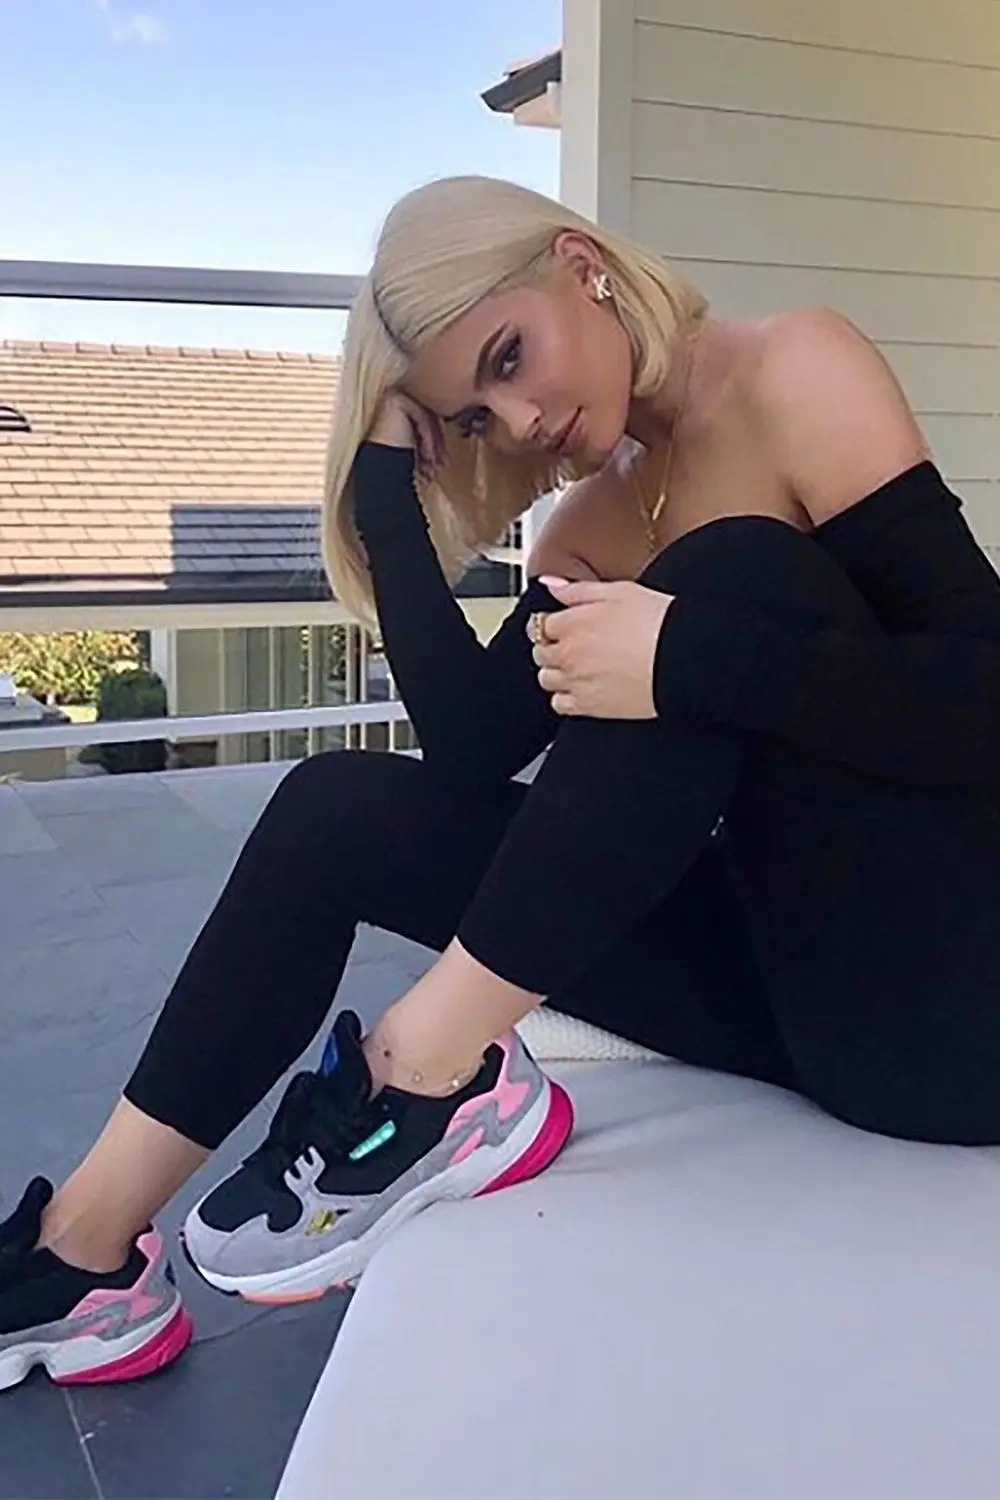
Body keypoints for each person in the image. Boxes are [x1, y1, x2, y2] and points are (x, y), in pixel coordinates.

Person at [4, 174, 1000, 1391]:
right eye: (475, 414)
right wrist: (385, 499)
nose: (519, 420)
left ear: (580, 264)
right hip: (787, 985)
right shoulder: (591, 525)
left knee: (734, 568)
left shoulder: (794, 372)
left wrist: (688, 652)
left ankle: (425, 1077)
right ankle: (82, 1260)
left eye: (510, 357)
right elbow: (471, 753)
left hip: (953, 1000)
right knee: (335, 808)